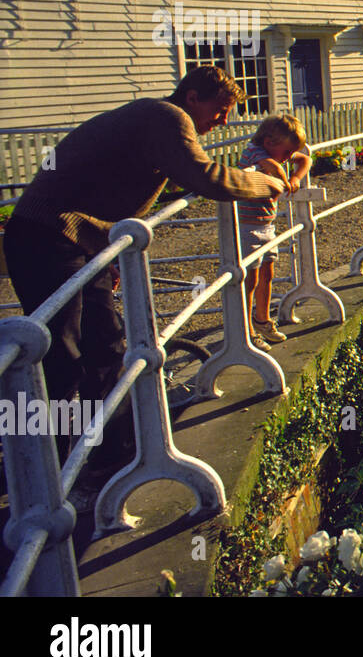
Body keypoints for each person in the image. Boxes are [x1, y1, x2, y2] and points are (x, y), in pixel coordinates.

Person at [3, 66, 286, 476]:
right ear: (193, 97)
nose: (223, 121)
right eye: (220, 109)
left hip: (75, 239)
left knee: (106, 345)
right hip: (46, 236)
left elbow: (106, 189)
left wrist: (110, 253)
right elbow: (205, 177)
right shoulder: (167, 118)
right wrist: (265, 184)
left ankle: (111, 454)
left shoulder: (156, 119)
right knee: (61, 354)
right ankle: (46, 472)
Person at [237, 115, 311, 351]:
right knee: (250, 279)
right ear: (269, 142)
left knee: (267, 274)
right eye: (287, 151)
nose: (289, 157)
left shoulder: (275, 152)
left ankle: (262, 320)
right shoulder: (254, 153)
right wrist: (283, 179)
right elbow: (273, 166)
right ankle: (246, 330)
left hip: (266, 224)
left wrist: (296, 178)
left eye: (290, 153)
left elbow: (305, 159)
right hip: (247, 225)